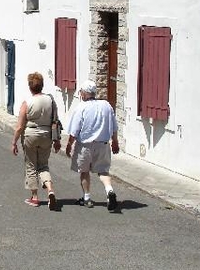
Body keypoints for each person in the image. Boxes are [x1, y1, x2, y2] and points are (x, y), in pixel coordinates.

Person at [65, 79, 120, 211]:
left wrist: (69, 145)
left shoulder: (81, 107)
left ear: (84, 93)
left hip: (85, 145)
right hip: (103, 144)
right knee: (103, 171)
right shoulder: (106, 105)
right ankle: (109, 190)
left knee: (84, 172)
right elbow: (114, 126)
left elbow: (74, 130)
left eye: (81, 92)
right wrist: (115, 142)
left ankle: (87, 198)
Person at [11, 72, 61, 210]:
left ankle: (34, 197)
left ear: (30, 87)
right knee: (43, 165)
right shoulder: (50, 100)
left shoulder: (27, 103)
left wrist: (14, 142)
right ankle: (50, 189)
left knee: (31, 165)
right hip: (46, 135)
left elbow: (20, 126)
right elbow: (55, 121)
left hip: (30, 135)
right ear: (42, 85)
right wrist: (57, 140)